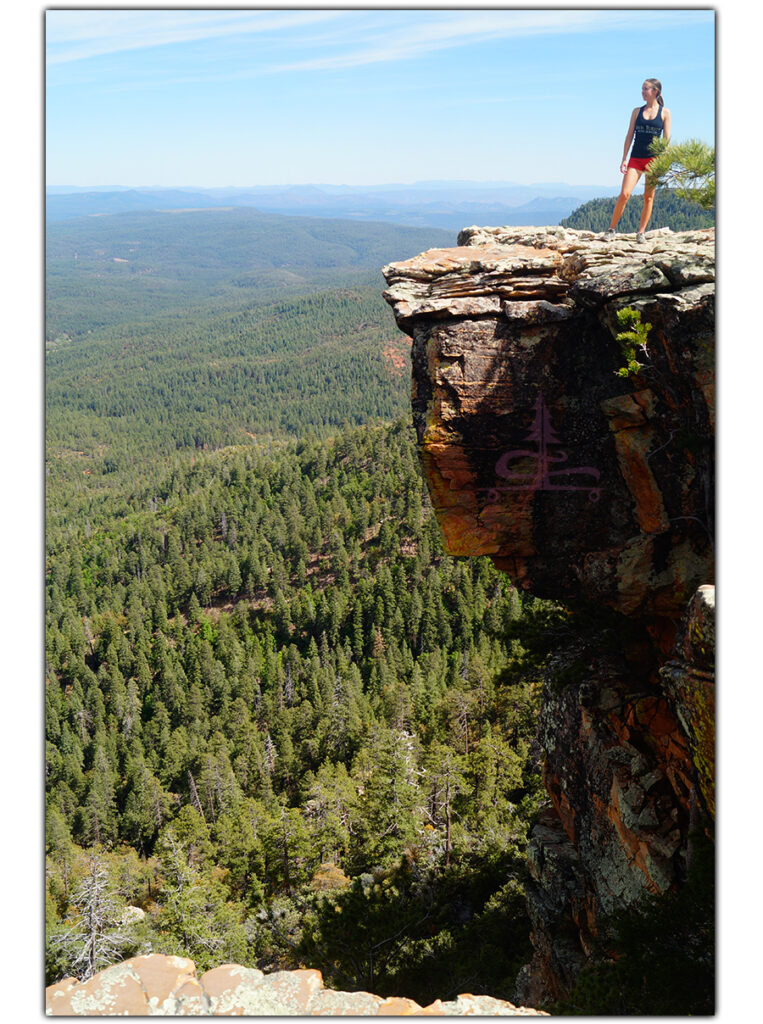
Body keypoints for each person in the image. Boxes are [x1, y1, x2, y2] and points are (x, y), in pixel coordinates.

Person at [604, 79, 671, 242]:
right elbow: (629, 136)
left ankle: (641, 233)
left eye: (645, 89)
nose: (642, 92)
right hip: (635, 158)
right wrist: (624, 159)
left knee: (648, 197)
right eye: (642, 89)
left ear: (655, 91)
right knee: (624, 194)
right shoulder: (636, 111)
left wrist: (664, 162)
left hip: (654, 161)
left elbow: (666, 141)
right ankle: (611, 229)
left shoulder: (665, 113)